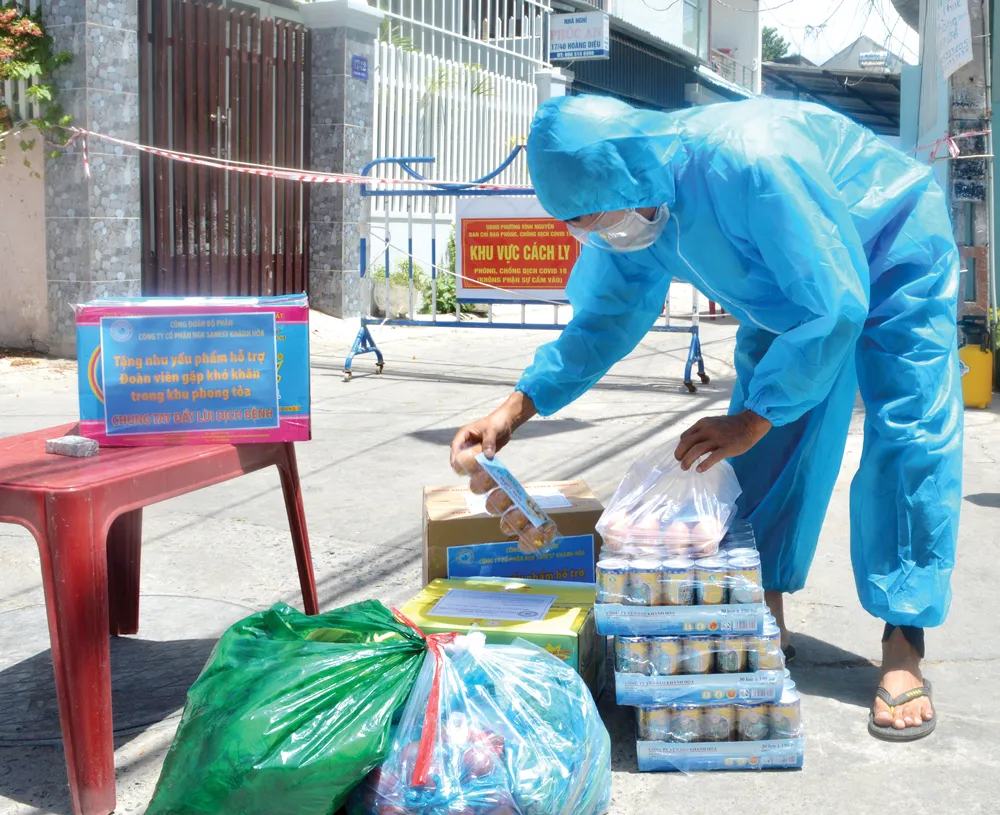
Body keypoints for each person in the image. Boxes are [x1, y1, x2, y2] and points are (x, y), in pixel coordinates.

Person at [450, 95, 962, 742]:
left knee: (908, 435)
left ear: (625, 174)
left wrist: (752, 417)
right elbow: (605, 317)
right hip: (786, 295)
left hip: (891, 246)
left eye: (587, 219)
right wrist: (515, 407)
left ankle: (903, 641)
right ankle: (762, 607)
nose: (588, 234)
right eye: (573, 224)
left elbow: (835, 305)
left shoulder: (748, 163)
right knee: (763, 451)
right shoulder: (627, 210)